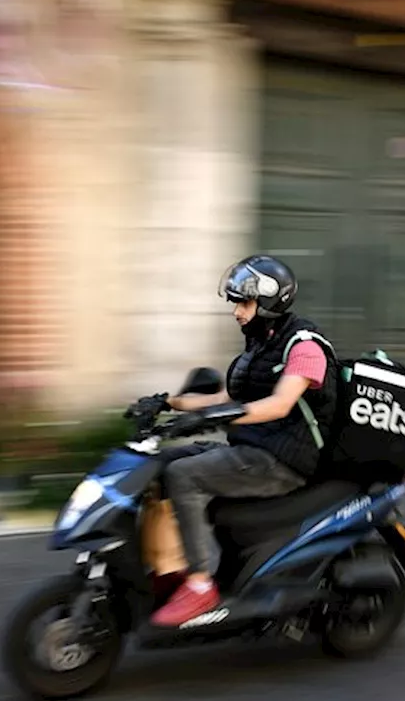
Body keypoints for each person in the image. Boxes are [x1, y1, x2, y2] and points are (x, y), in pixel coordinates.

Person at [139, 255, 339, 628]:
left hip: (284, 460)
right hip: (252, 450)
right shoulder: (259, 347)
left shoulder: (304, 346)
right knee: (157, 468)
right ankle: (170, 570)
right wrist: (166, 403)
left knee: (186, 476)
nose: (235, 312)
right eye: (235, 302)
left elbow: (280, 405)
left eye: (243, 303)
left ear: (267, 302)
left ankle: (200, 586)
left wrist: (217, 417)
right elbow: (220, 401)